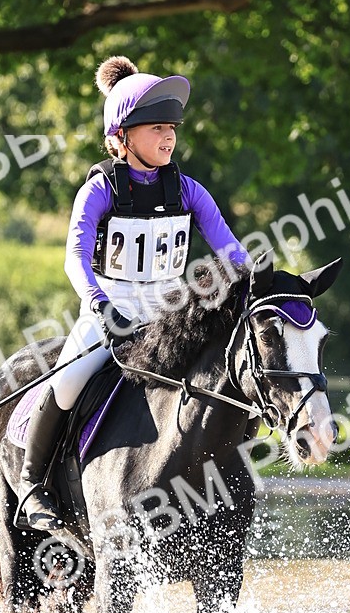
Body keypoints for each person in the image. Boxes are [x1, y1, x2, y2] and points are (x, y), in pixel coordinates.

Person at [17, 55, 251, 532]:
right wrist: (99, 305)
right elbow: (74, 258)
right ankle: (31, 484)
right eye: (155, 128)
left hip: (171, 314)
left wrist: (261, 286)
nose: (168, 137)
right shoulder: (100, 190)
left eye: (172, 128)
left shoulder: (188, 190)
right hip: (113, 311)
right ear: (122, 136)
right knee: (67, 380)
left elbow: (232, 252)